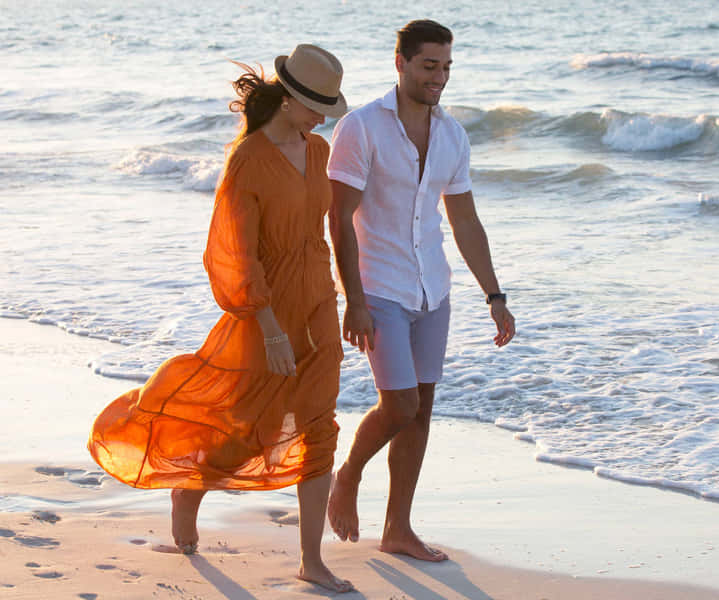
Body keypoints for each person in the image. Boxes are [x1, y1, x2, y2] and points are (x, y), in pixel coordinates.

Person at [88, 44, 353, 593]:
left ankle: (311, 560)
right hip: (268, 312)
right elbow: (235, 253)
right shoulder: (247, 160)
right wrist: (269, 325)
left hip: (320, 306)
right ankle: (188, 492)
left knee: (319, 424)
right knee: (247, 427)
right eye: (314, 106)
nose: (321, 118)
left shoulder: (320, 151)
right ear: (287, 101)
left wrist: (353, 300)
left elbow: (325, 232)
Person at [326, 19, 516, 562]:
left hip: (433, 288)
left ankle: (398, 528)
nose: (439, 77)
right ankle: (348, 474)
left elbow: (465, 222)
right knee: (400, 404)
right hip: (379, 286)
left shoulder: (453, 135)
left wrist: (494, 296)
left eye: (447, 67)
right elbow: (339, 218)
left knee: (422, 409)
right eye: (429, 66)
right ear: (401, 63)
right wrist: (354, 299)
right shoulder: (360, 128)